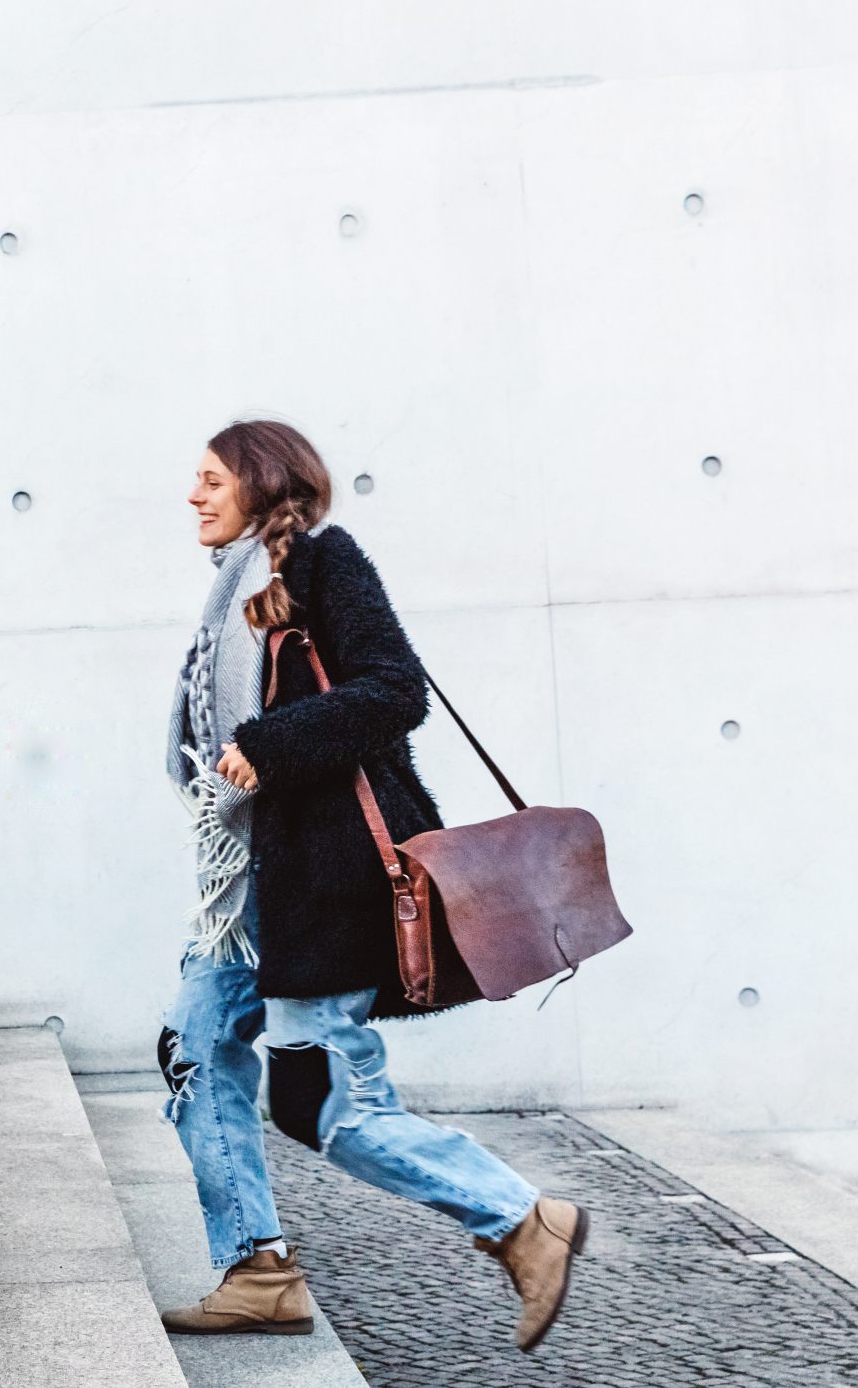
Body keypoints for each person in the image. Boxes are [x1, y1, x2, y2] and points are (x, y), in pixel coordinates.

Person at [154, 419, 585, 1352]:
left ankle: (517, 1215)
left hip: (326, 879)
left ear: (263, 483)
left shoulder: (323, 562)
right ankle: (258, 1268)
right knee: (192, 1049)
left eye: (209, 478)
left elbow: (394, 690)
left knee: (321, 1100)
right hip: (245, 892)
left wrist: (265, 747)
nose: (191, 494)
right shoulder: (228, 594)